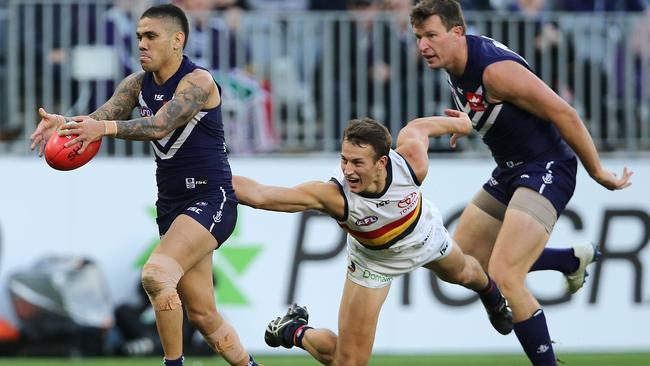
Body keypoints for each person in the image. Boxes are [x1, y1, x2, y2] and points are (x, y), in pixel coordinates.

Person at [29, 4, 259, 366]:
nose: (142, 44)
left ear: (177, 40)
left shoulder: (197, 82)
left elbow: (159, 126)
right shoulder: (137, 84)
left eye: (151, 36)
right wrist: (67, 123)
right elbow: (99, 118)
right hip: (171, 205)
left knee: (156, 274)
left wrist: (100, 128)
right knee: (203, 315)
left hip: (209, 197)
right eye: (139, 37)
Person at [409, 1, 633, 365]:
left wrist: (598, 172)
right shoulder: (453, 62)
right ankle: (569, 260)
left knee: (505, 275)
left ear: (457, 33)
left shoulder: (495, 71)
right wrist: (467, 123)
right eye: (418, 37)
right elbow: (494, 111)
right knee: (460, 260)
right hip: (510, 170)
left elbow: (564, 112)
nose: (423, 45)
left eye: (431, 35)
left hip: (548, 167)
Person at [233, 114, 513, 366]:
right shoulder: (335, 196)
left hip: (425, 235)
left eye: (357, 162)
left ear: (382, 162)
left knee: (464, 273)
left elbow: (419, 127)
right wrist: (211, 177)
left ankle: (493, 297)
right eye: (344, 159)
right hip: (373, 263)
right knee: (350, 362)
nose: (348, 171)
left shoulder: (411, 163)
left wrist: (461, 124)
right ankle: (294, 330)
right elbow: (262, 196)